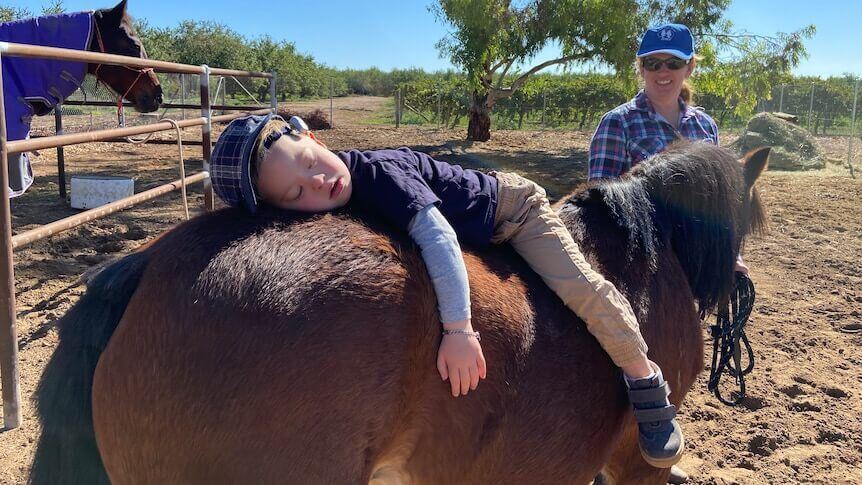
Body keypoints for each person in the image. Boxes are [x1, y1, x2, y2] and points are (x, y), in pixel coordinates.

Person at [208, 113, 685, 468]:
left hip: (513, 214)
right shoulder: (336, 191)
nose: (319, 182)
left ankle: (646, 381)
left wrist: (459, 328)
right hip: (481, 224)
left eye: (310, 162)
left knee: (583, 290)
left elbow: (438, 238)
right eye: (296, 195)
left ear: (312, 136)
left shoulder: (380, 174)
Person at [589, 22, 749, 276]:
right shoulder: (617, 123)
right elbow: (598, 207)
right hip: (640, 269)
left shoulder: (705, 126)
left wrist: (731, 256)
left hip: (696, 269)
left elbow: (720, 207)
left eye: (673, 62)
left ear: (689, 67)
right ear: (642, 68)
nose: (663, 70)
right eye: (653, 63)